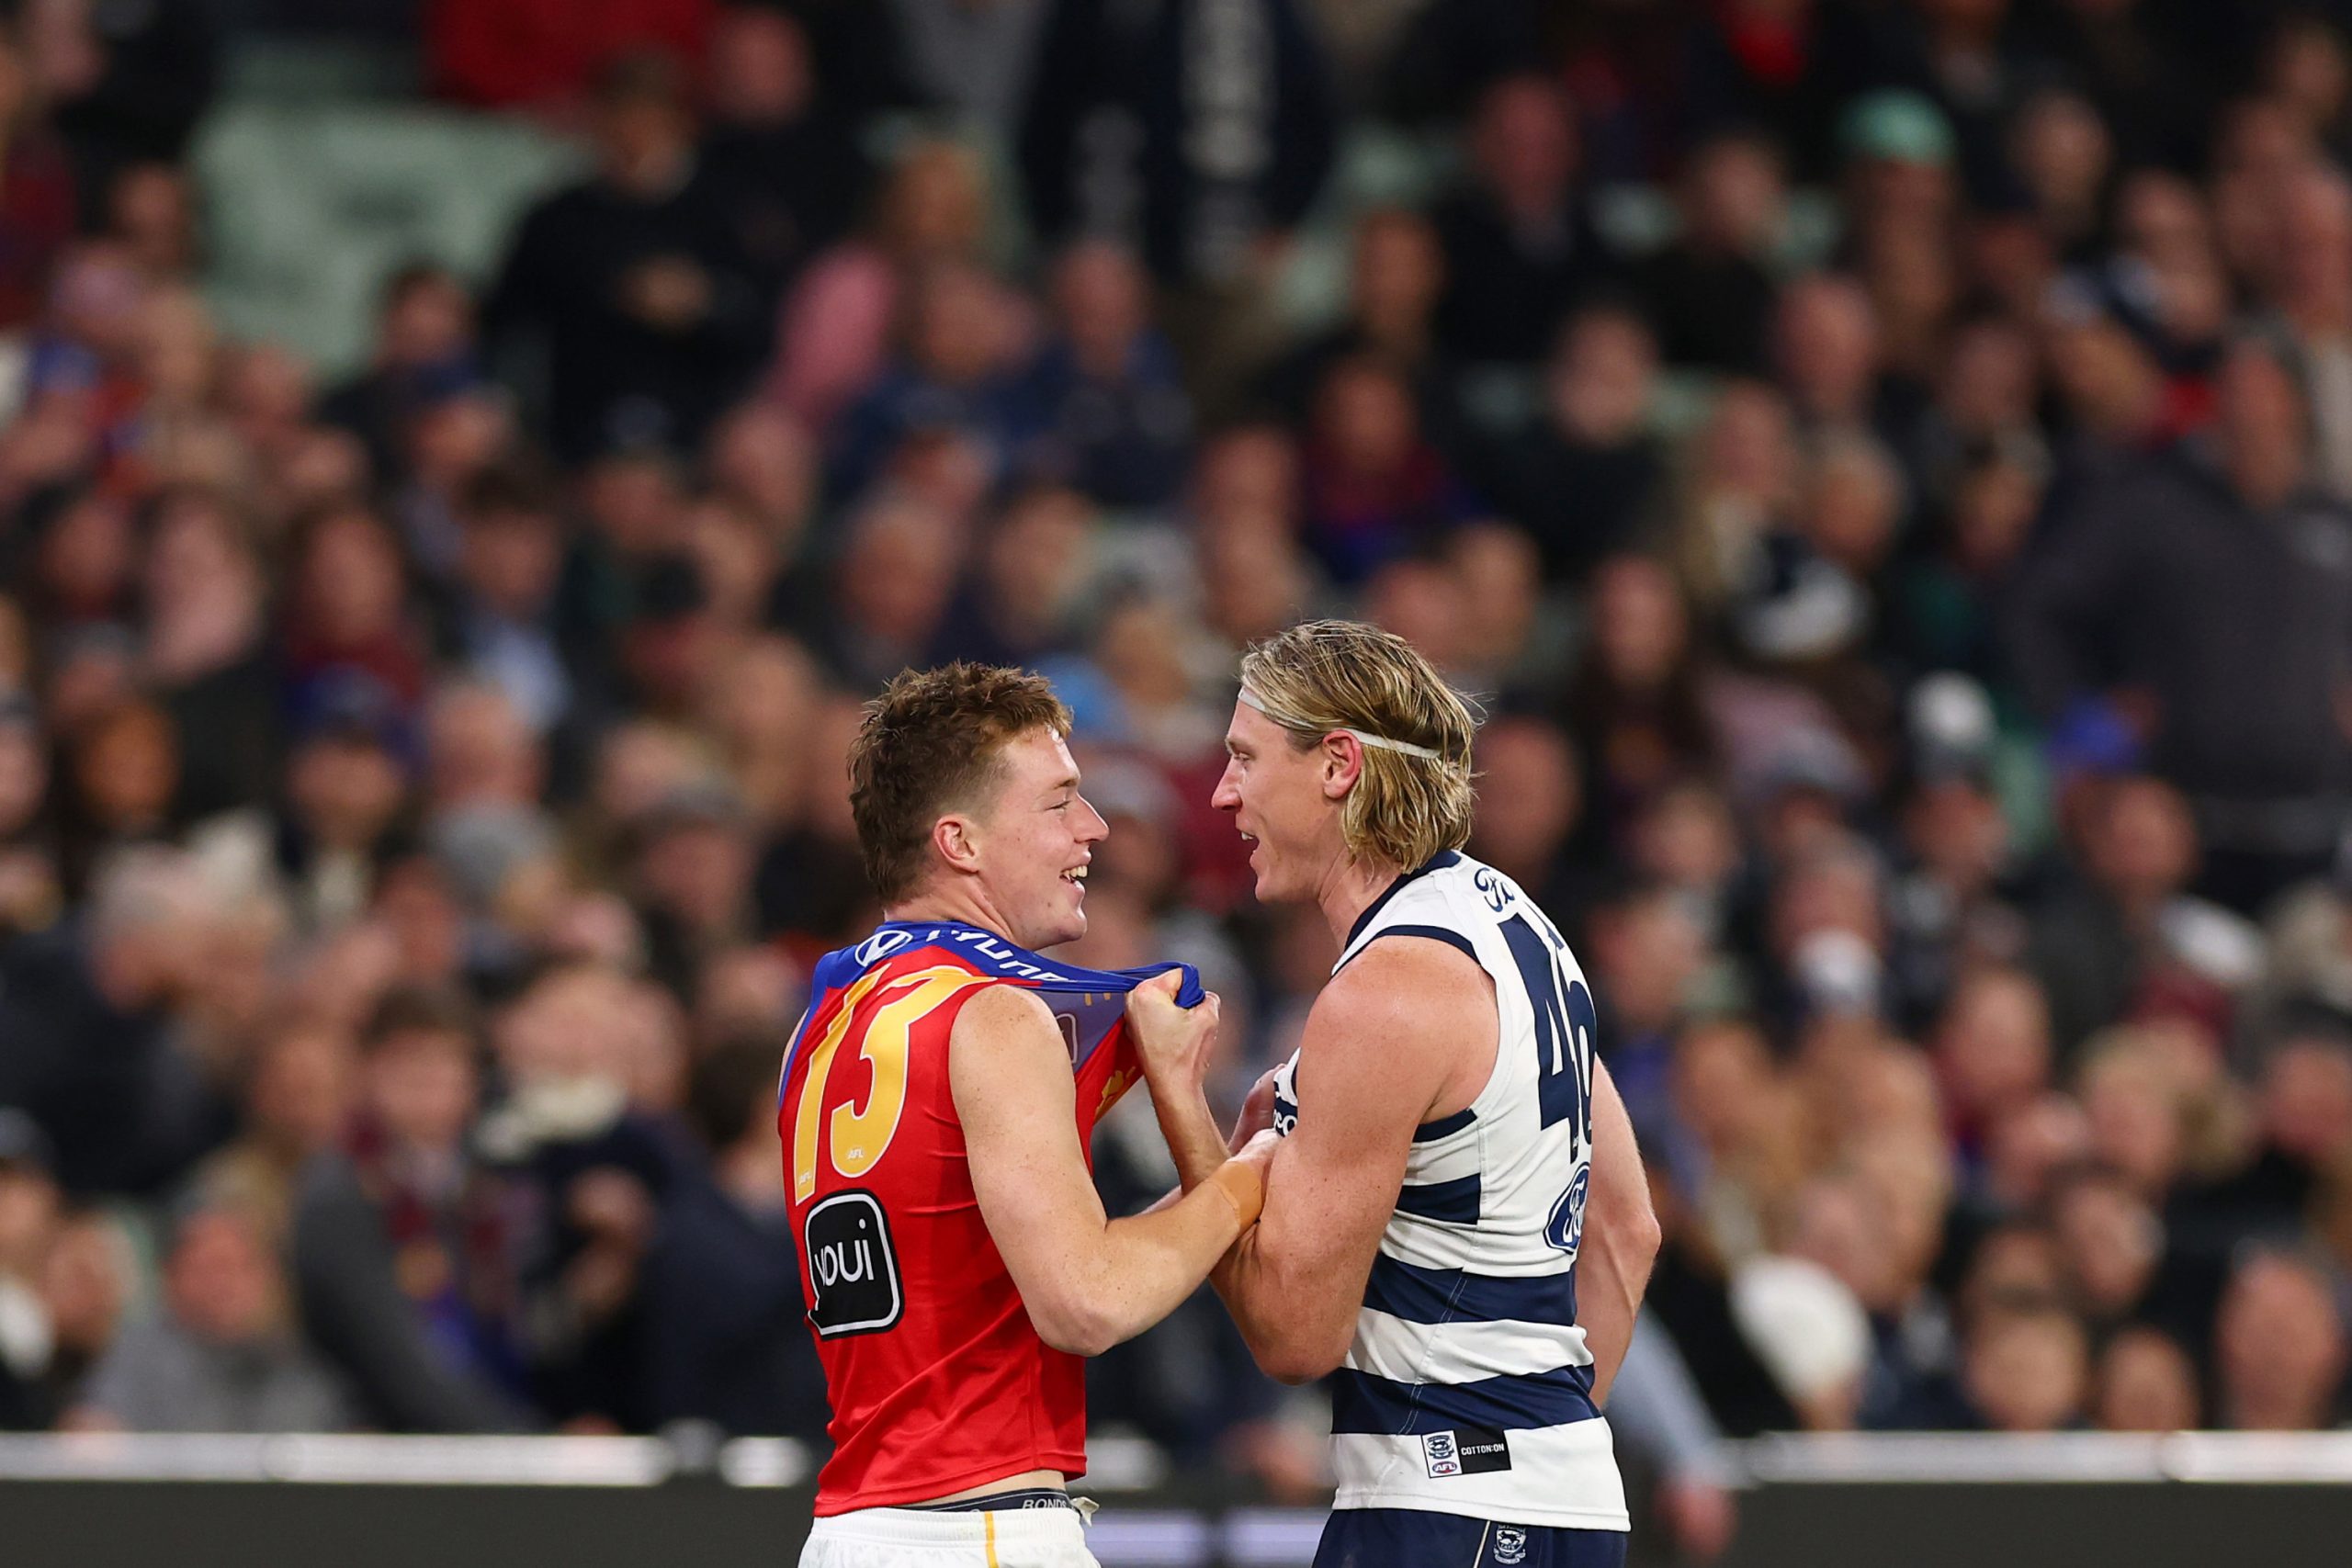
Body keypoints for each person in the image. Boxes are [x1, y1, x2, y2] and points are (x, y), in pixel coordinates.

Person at [1125, 620, 1661, 1566]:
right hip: (1569, 1501)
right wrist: (1539, 1454)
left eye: (1245, 757)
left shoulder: (1385, 989)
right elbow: (1626, 1232)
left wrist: (1180, 1102)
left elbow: (1294, 1337)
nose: (1222, 793)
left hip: (1439, 1507)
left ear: (1338, 765)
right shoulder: (1522, 928)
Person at [784, 662, 1276, 1568]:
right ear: (960, 842)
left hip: (856, 1528)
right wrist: (1252, 1177)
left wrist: (1198, 1144)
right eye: (1059, 801)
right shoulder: (994, 1014)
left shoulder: (822, 1025)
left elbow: (1005, 1262)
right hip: (978, 1528)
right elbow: (1087, 1300)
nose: (1093, 828)